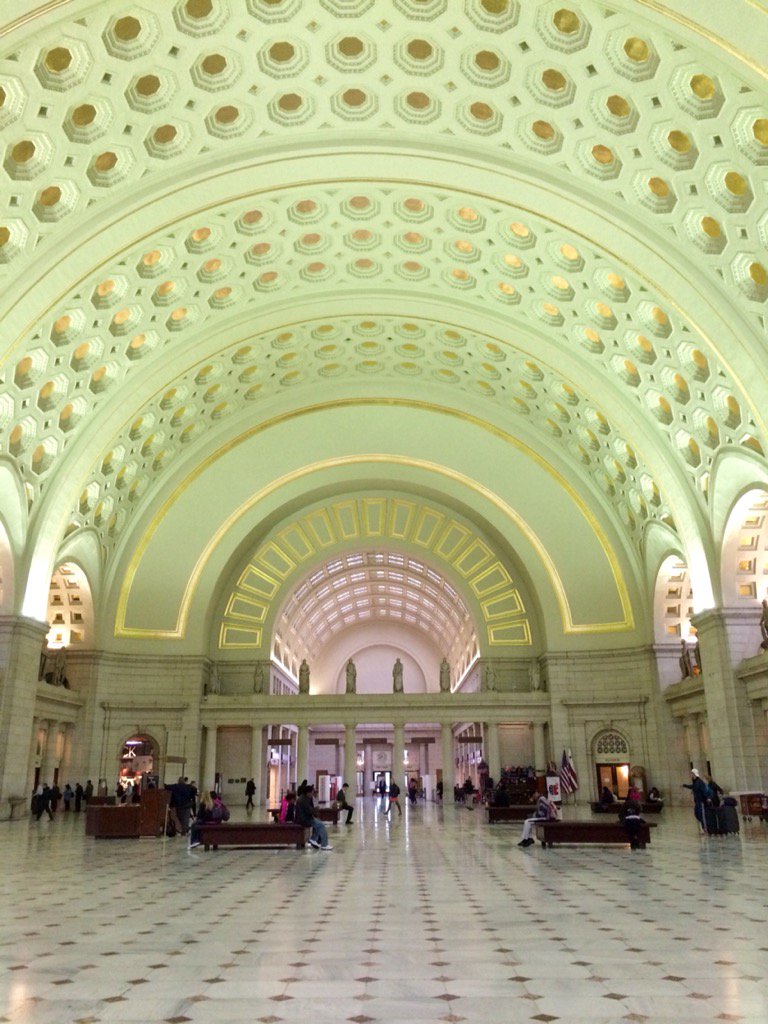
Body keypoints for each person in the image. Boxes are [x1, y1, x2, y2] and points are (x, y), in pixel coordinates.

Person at [295, 784, 332, 850]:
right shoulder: (303, 800)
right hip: (304, 819)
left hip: (304, 818)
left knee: (318, 824)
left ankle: (313, 839)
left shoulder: (304, 798)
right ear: (308, 793)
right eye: (312, 792)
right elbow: (309, 810)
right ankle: (324, 844)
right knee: (321, 825)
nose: (312, 794)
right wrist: (315, 810)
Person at [682, 768, 711, 834]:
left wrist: (708, 798)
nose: (691, 775)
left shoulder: (699, 782)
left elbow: (704, 791)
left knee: (701, 815)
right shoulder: (695, 782)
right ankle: (703, 828)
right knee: (697, 814)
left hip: (701, 801)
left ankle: (705, 829)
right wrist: (684, 785)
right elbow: (693, 786)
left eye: (692, 774)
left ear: (694, 774)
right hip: (697, 801)